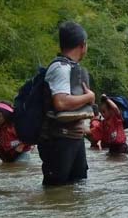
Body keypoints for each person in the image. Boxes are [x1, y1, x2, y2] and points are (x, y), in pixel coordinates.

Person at [38, 21, 95, 186]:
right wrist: (89, 97)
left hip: (73, 136)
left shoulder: (69, 66)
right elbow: (61, 102)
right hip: (58, 139)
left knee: (77, 186)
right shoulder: (61, 68)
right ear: (82, 45)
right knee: (56, 189)